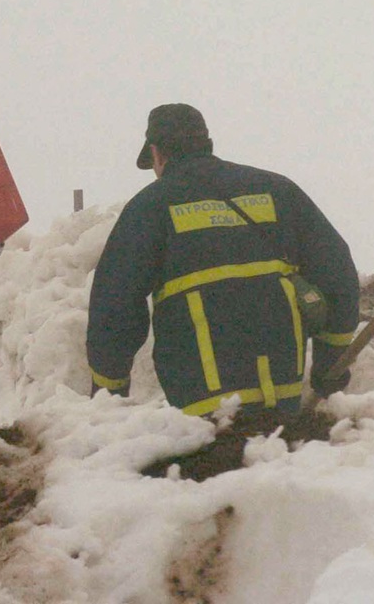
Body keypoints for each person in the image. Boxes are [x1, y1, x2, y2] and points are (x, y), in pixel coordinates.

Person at [85, 103, 360, 425]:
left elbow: (115, 305)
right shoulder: (277, 190)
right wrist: (330, 359)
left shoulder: (151, 206)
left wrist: (108, 390)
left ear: (157, 153)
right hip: (281, 387)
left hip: (202, 402)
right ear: (206, 143)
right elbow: (337, 272)